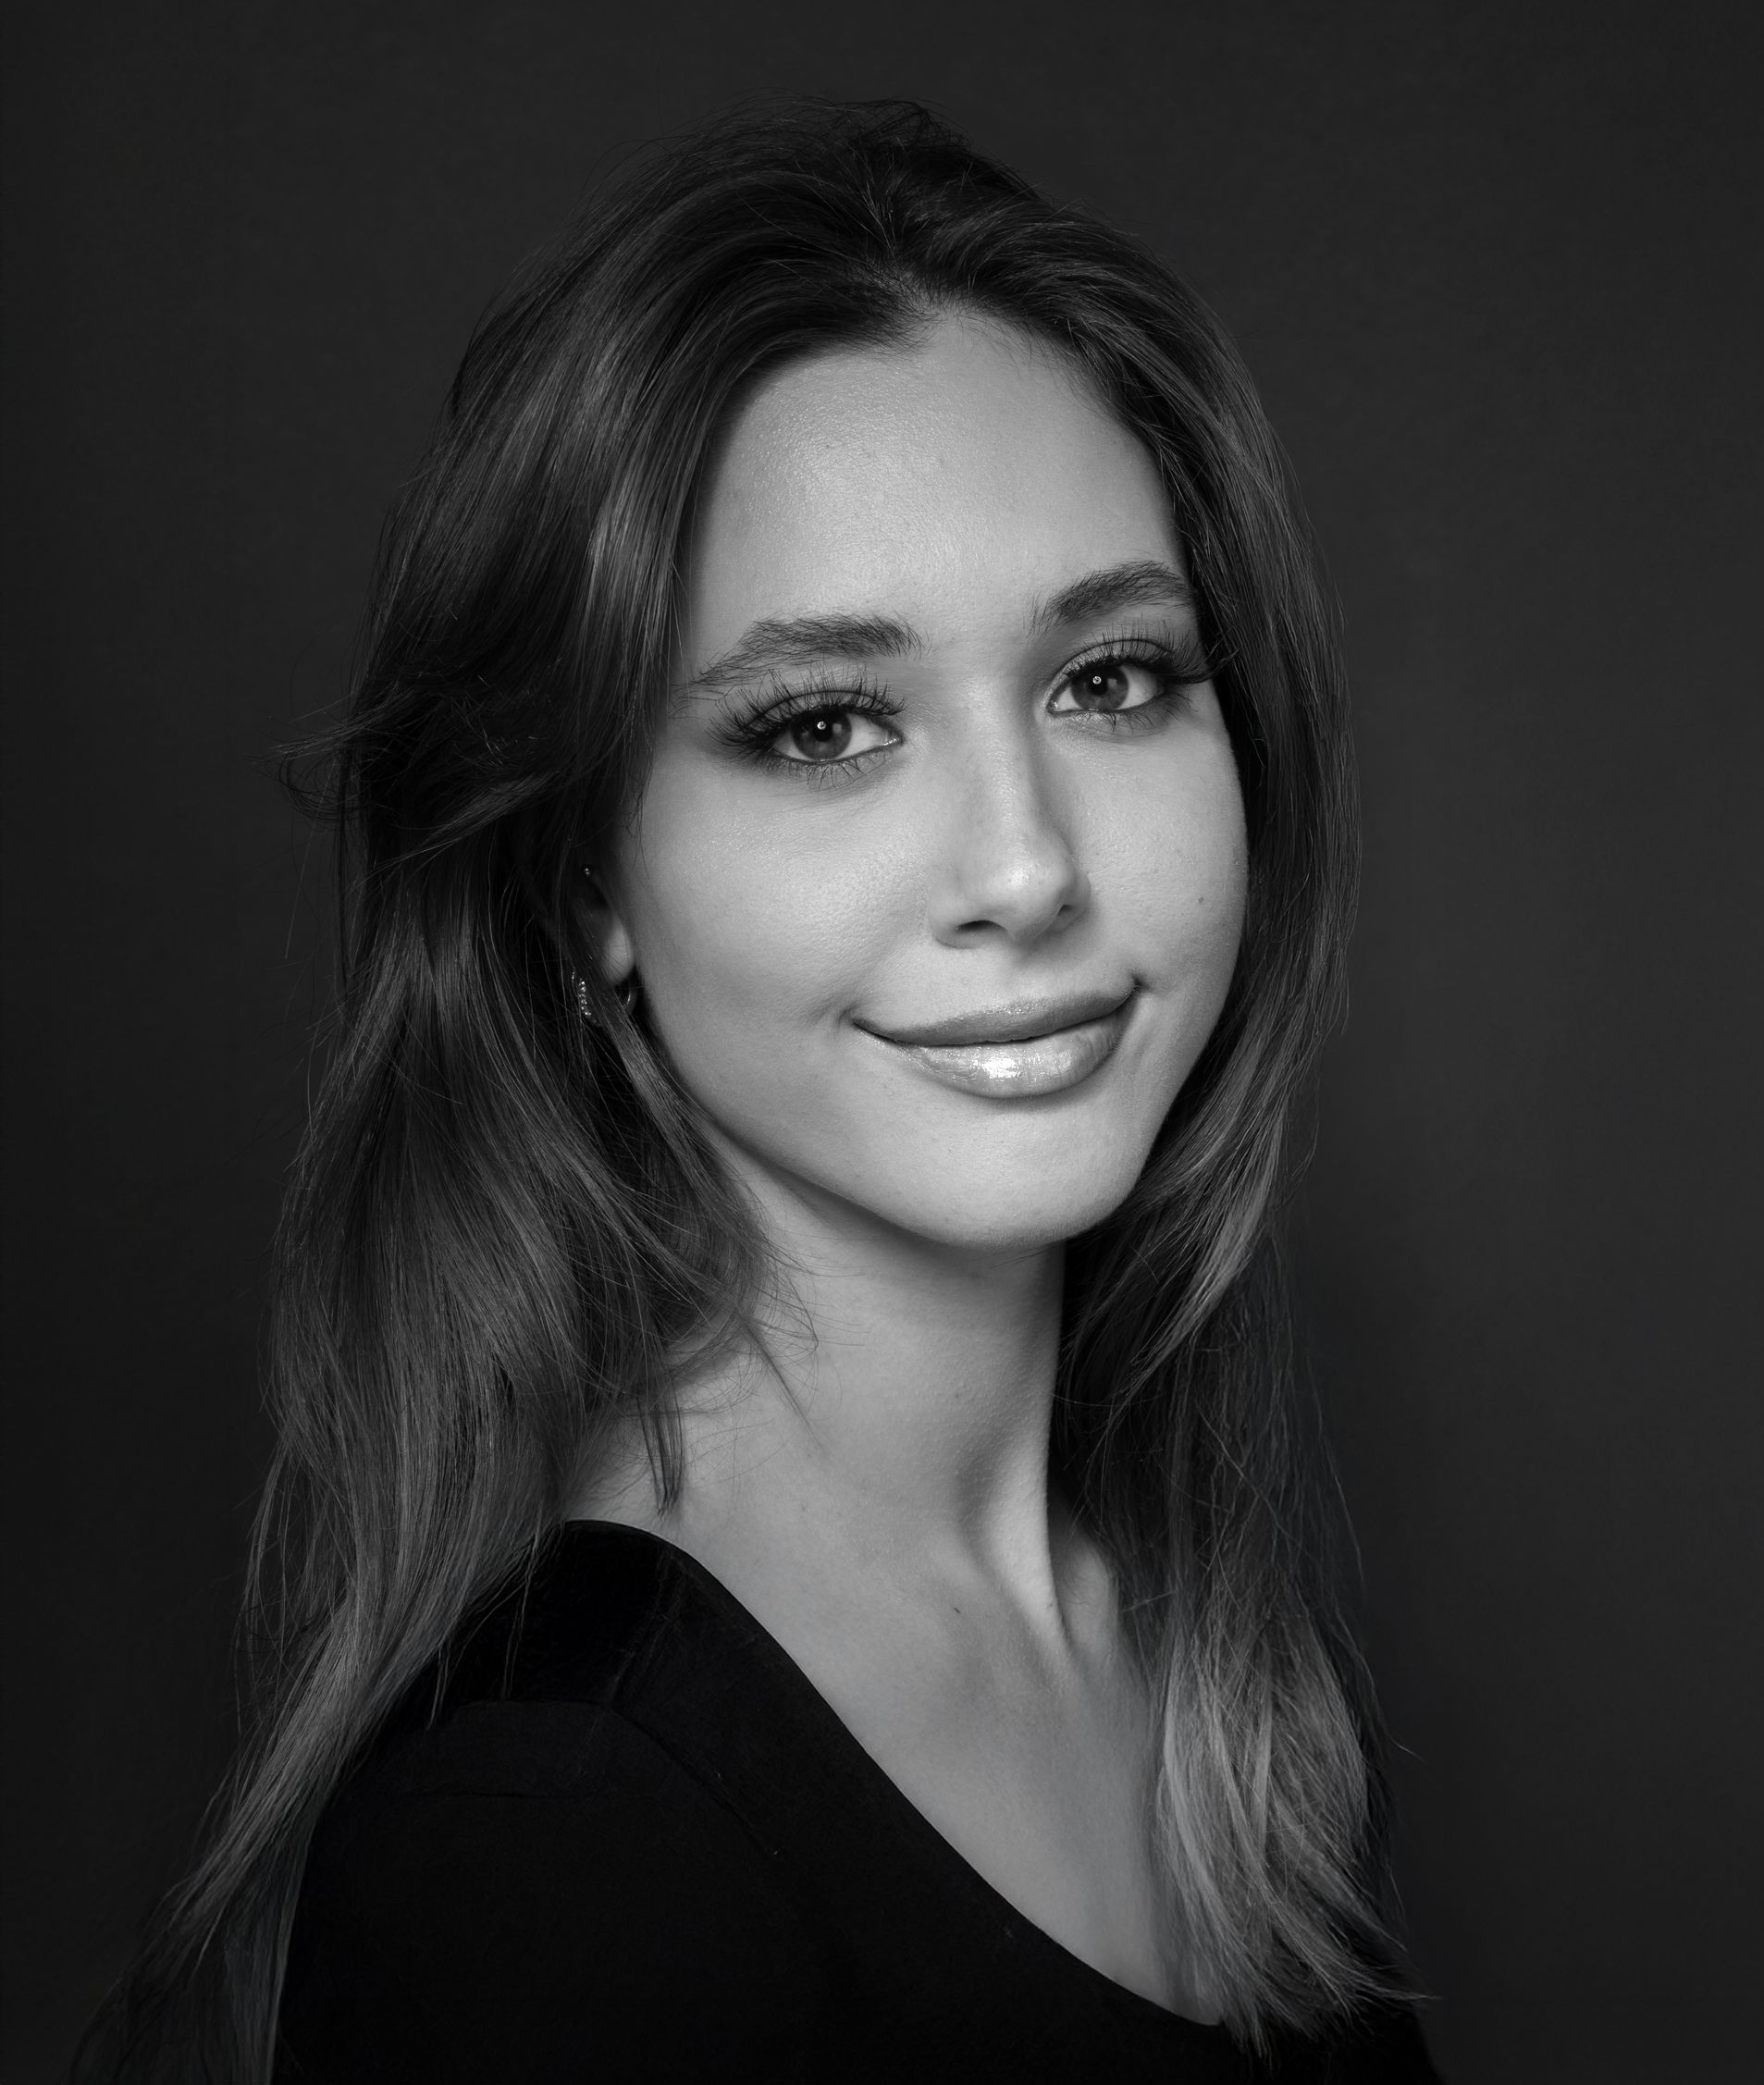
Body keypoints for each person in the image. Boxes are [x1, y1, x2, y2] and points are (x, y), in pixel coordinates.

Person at [81, 102, 1437, 2081]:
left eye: (1112, 681)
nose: (1026, 865)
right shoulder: (544, 1856)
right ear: (579, 888)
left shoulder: (1227, 1669)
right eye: (824, 725)